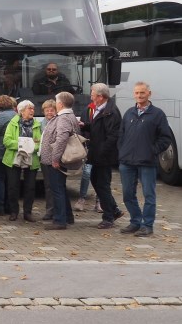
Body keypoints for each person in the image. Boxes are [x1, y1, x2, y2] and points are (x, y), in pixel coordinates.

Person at [117, 82, 173, 237]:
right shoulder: (129, 113)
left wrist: (151, 151)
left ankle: (147, 225)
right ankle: (135, 222)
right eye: (136, 93)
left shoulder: (157, 114)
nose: (139, 95)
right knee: (128, 194)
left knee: (149, 195)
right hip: (127, 162)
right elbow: (121, 134)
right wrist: (122, 150)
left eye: (142, 92)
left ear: (149, 93)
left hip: (147, 162)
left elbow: (165, 138)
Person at [80, 83, 124, 228]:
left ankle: (108, 217)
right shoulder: (100, 109)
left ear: (100, 96)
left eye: (92, 94)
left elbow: (112, 136)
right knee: (96, 182)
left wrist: (101, 153)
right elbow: (98, 128)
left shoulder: (111, 112)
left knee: (102, 185)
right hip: (96, 153)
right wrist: (85, 125)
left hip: (104, 156)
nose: (90, 97)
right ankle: (114, 210)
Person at [39, 91, 78, 230]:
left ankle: (60, 220)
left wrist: (55, 158)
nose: (55, 104)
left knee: (57, 189)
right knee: (60, 188)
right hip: (57, 158)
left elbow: (61, 139)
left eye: (56, 101)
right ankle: (68, 216)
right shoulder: (67, 116)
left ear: (60, 104)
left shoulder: (63, 117)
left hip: (56, 160)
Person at [2, 100, 40, 222]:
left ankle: (27, 213)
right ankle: (14, 211)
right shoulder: (12, 123)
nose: (32, 111)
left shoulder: (37, 124)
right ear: (21, 111)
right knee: (13, 186)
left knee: (30, 187)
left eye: (33, 109)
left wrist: (31, 147)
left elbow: (39, 142)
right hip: (14, 158)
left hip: (31, 158)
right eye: (29, 108)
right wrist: (22, 145)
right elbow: (7, 141)